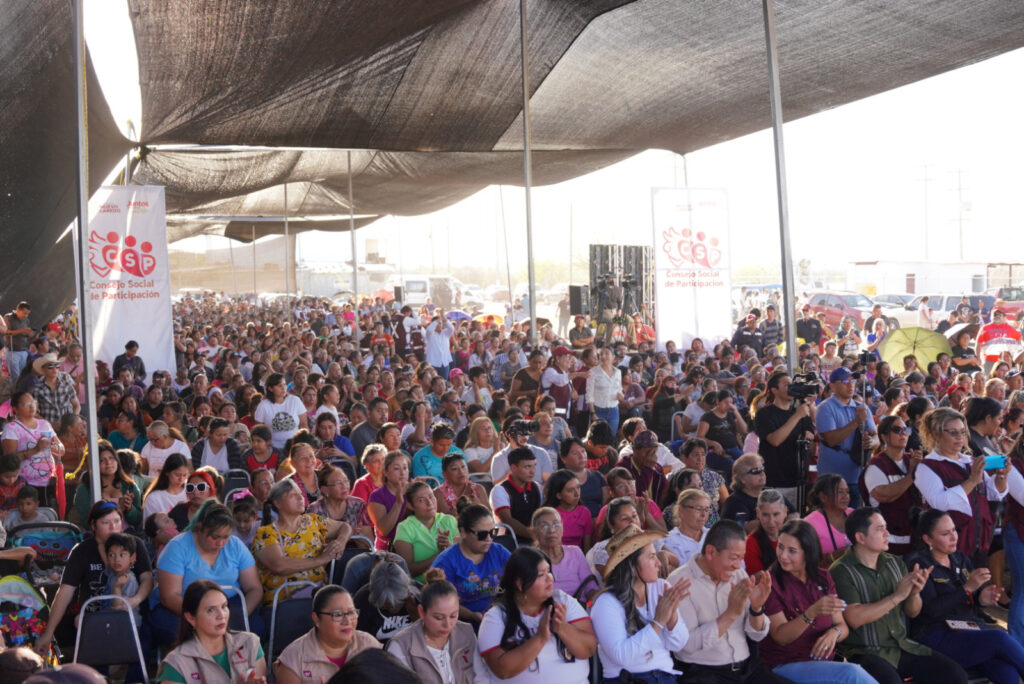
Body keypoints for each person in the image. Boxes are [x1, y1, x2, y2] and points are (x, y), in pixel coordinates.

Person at [830, 507, 968, 684]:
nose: (887, 533)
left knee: (955, 675)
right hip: (863, 652)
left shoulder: (895, 562)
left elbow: (912, 612)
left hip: (900, 645)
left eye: (886, 527)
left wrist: (914, 594)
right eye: (880, 529)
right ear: (860, 537)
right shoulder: (841, 570)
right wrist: (897, 596)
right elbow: (854, 618)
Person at [903, 509, 1024, 684]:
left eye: (954, 530)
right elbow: (929, 611)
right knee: (999, 637)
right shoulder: (920, 564)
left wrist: (982, 598)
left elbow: (970, 600)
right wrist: (967, 589)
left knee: (1005, 669)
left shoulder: (960, 559)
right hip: (937, 635)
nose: (954, 537)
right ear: (927, 539)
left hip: (970, 630)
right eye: (946, 534)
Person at [669, 520, 783, 683]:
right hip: (704, 673)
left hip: (748, 668)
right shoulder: (679, 582)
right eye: (734, 558)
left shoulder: (738, 575)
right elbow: (686, 645)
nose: (738, 565)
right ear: (710, 552)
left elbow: (756, 635)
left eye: (741, 558)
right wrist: (730, 614)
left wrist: (756, 608)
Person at [760, 520, 873, 684]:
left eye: (792, 551)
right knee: (851, 674)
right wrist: (811, 613)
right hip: (784, 664)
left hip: (824, 663)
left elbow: (842, 625)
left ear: (807, 552)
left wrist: (834, 634)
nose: (783, 555)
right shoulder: (770, 583)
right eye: (780, 547)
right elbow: (780, 637)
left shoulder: (823, 577)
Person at [35, 501, 154, 653]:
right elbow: (65, 592)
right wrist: (49, 633)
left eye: (117, 521)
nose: (113, 527)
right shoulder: (82, 551)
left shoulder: (134, 543)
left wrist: (136, 599)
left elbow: (147, 578)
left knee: (144, 638)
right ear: (93, 525)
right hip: (95, 616)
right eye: (106, 522)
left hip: (131, 614)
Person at [478, 546, 596, 683]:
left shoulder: (563, 601)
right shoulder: (496, 617)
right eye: (541, 575)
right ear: (520, 584)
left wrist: (563, 628)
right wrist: (540, 638)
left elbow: (589, 649)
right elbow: (502, 670)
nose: (550, 579)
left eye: (549, 572)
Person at [153, 500, 265, 647]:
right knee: (188, 637)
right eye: (215, 537)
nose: (221, 543)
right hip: (186, 608)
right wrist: (203, 617)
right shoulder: (177, 547)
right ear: (199, 529)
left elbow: (254, 588)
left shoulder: (235, 545)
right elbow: (169, 597)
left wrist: (242, 614)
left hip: (228, 606)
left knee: (256, 629)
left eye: (225, 537)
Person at [591, 525, 691, 684]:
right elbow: (621, 656)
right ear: (632, 566)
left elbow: (679, 644)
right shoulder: (606, 602)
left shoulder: (660, 587)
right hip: (626, 679)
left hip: (665, 677)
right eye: (651, 557)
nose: (659, 563)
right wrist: (658, 622)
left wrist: (672, 618)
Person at [914, 406, 1008, 565]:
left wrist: (1002, 475)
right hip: (949, 550)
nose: (960, 437)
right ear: (936, 434)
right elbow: (940, 502)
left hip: (979, 544)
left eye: (963, 432)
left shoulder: (971, 461)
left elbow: (993, 494)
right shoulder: (927, 467)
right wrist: (971, 481)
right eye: (953, 432)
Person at [252, 478, 353, 605]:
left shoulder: (312, 521)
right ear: (277, 503)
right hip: (283, 604)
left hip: (318, 598)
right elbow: (279, 566)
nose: (300, 498)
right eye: (293, 495)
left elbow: (344, 527)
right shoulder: (266, 533)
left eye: (300, 494)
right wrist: (321, 559)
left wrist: (341, 541)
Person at [157, 580, 266, 684]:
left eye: (224, 606)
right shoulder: (176, 663)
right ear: (191, 618)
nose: (221, 615)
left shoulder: (249, 643)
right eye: (211, 610)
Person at [385, 568, 479, 684]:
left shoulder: (466, 632)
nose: (447, 624)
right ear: (421, 612)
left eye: (453, 616)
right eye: (439, 618)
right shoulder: (401, 645)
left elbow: (480, 676)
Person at [274, 584, 381, 684]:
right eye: (337, 614)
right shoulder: (295, 658)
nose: (347, 621)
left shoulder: (368, 645)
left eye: (351, 612)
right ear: (316, 619)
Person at [431, 503, 510, 625]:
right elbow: (440, 602)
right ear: (463, 532)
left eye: (493, 532)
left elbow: (520, 577)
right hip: (460, 624)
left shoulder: (498, 552)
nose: (489, 539)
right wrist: (472, 615)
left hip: (500, 616)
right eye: (482, 534)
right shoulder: (446, 562)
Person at [858, 414, 923, 556]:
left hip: (916, 541)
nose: (904, 434)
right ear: (884, 437)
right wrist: (912, 474)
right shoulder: (876, 466)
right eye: (897, 430)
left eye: (906, 430)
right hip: (889, 545)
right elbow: (885, 496)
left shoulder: (912, 460)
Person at [816, 367, 878, 508]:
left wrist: (871, 442)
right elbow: (831, 439)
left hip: (858, 477)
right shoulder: (825, 408)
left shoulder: (861, 407)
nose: (850, 385)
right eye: (845, 381)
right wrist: (856, 422)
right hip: (832, 479)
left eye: (853, 381)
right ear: (832, 386)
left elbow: (876, 437)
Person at [753, 372, 816, 509]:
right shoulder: (764, 414)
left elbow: (811, 451)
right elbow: (775, 440)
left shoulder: (801, 413)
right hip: (776, 481)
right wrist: (797, 416)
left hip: (799, 481)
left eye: (792, 384)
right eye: (786, 385)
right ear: (774, 390)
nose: (791, 388)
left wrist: (809, 438)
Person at [1, 390, 60, 506]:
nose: (32, 406)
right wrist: (36, 449)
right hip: (25, 482)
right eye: (26, 404)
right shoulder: (11, 428)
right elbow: (9, 460)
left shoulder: (45, 424)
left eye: (33, 402)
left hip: (49, 480)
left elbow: (61, 449)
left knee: (47, 514)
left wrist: (51, 446)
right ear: (16, 409)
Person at [394, 481, 459, 581]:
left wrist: (449, 547)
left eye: (431, 496)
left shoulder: (449, 520)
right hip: (421, 589)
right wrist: (440, 555)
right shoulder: (405, 528)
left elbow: (463, 559)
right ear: (410, 506)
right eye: (421, 500)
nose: (429, 503)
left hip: (452, 584)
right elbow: (407, 570)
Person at [72, 439, 143, 529]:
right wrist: (115, 508)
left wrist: (129, 509)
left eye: (111, 458)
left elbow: (138, 520)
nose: (108, 463)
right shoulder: (85, 489)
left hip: (126, 537)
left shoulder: (130, 486)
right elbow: (86, 522)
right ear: (94, 464)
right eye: (102, 460)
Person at [531, 507, 593, 598]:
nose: (551, 531)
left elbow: (589, 584)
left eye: (556, 525)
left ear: (563, 528)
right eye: (544, 526)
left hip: (578, 608)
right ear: (534, 533)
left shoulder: (575, 552)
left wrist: (596, 598)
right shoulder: (530, 559)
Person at [490, 446, 541, 543]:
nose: (533, 471)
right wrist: (535, 535)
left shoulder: (537, 487)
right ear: (513, 468)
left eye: (534, 465)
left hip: (536, 540)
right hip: (509, 541)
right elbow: (508, 521)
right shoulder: (500, 490)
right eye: (527, 467)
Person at [307, 465, 373, 539]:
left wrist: (346, 536)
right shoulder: (315, 510)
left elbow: (368, 543)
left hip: (357, 550)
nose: (344, 486)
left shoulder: (358, 505)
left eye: (345, 481)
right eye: (338, 483)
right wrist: (348, 534)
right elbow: (313, 543)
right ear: (325, 490)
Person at [803, 474, 853, 565]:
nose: (845, 496)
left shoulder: (854, 515)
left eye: (847, 492)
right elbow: (805, 563)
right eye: (839, 492)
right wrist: (833, 556)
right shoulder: (809, 524)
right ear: (823, 497)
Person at [368, 450, 412, 550]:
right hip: (388, 548)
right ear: (385, 472)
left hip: (414, 542)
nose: (402, 473)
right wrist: (398, 503)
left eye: (405, 468)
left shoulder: (413, 490)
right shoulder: (377, 496)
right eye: (396, 469)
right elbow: (384, 530)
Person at [253, 372, 308, 451]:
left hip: (295, 447)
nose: (283, 388)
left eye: (284, 384)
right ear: (270, 388)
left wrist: (304, 445)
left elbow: (304, 425)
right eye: (279, 386)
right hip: (273, 448)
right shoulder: (263, 406)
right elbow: (258, 431)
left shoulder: (295, 400)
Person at [543, 469, 594, 550]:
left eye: (578, 487)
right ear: (559, 495)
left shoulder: (584, 512)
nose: (577, 494)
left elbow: (586, 547)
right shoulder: (548, 515)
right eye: (570, 490)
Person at [661, 488, 711, 569]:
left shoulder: (714, 536)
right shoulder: (668, 541)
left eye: (706, 509)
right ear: (681, 511)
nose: (704, 514)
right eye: (698, 509)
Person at [101, 532, 142, 624]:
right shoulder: (112, 573)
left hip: (126, 624)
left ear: (132, 558)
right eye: (111, 555)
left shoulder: (129, 579)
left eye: (122, 555)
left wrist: (117, 587)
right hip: (112, 619)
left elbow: (119, 609)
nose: (116, 560)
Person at [744, 488, 788, 574]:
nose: (771, 521)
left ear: (785, 511)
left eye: (776, 514)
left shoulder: (797, 536)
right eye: (765, 515)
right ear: (757, 513)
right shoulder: (751, 543)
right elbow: (755, 581)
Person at [433, 453, 488, 517]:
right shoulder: (438, 493)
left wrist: (479, 505)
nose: (461, 472)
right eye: (454, 469)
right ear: (445, 474)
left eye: (463, 466)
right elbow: (447, 521)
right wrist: (465, 499)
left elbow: (490, 516)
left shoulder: (478, 488)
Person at [142, 453, 190, 523]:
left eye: (185, 475)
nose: (181, 479)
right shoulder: (154, 498)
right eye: (177, 475)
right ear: (167, 472)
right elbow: (149, 527)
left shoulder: (191, 491)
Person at [587, 348, 624, 437]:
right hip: (598, 410)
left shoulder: (618, 372)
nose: (603, 356)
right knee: (598, 438)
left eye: (607, 353)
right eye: (601, 354)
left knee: (611, 437)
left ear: (613, 357)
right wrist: (593, 413)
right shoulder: (593, 372)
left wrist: (621, 397)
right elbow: (589, 394)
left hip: (613, 410)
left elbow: (620, 390)